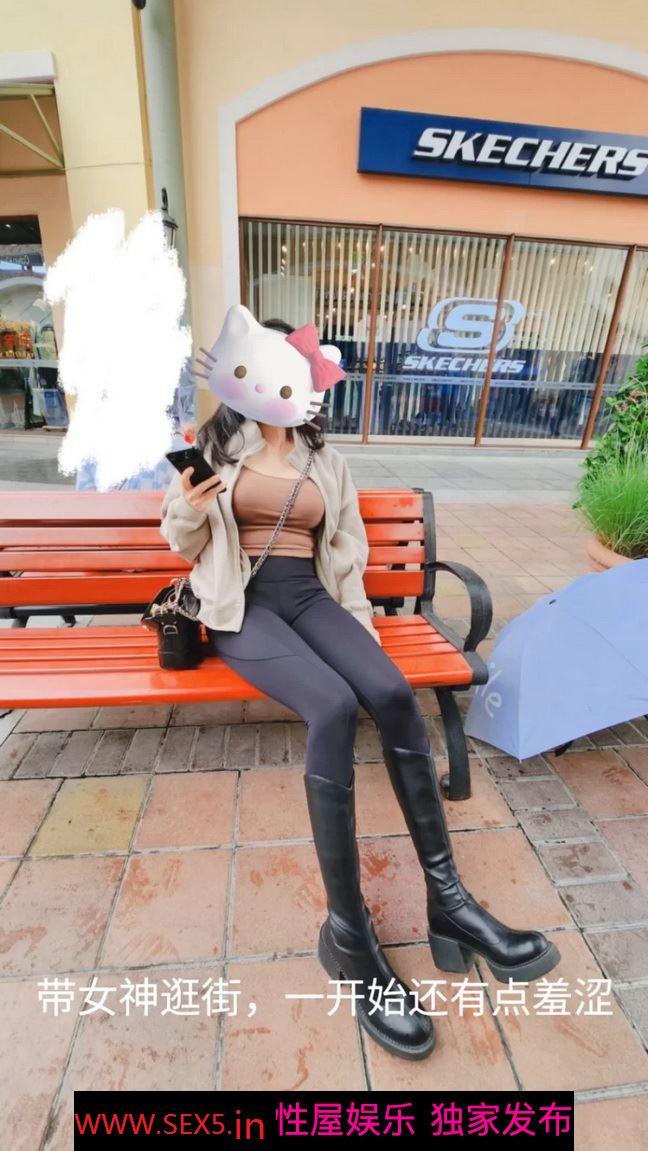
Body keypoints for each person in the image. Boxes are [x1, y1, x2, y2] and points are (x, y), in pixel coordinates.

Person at [159, 307, 561, 1063]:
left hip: (312, 598)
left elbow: (345, 546)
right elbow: (180, 541)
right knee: (333, 705)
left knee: (393, 693)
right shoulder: (215, 446)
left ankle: (450, 903)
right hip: (244, 606)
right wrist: (190, 505)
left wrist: (357, 632)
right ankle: (349, 935)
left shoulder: (324, 456)